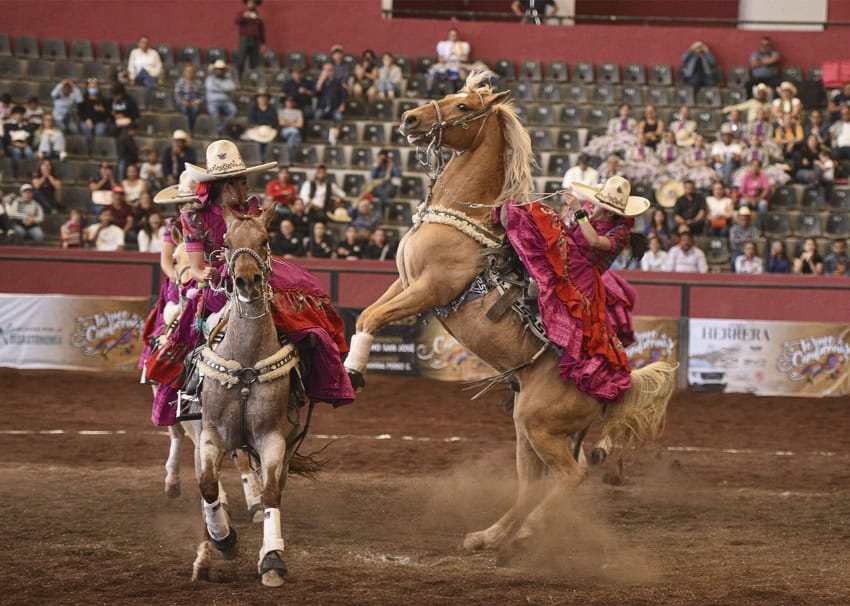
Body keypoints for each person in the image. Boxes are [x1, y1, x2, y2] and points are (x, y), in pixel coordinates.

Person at [155, 140, 354, 417]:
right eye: (243, 182)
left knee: (304, 317)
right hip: (219, 285)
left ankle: (305, 379)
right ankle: (191, 389)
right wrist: (206, 273)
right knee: (190, 335)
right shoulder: (194, 217)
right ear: (227, 186)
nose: (247, 188)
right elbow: (198, 268)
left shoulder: (252, 210)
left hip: (256, 274)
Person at [498, 176, 648, 403]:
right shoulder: (587, 212)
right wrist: (569, 214)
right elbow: (569, 229)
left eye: (602, 207)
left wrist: (578, 213)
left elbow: (595, 242)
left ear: (611, 213)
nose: (596, 208)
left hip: (583, 276)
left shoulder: (619, 234)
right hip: (569, 259)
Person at [127, 34, 162, 109]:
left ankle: (148, 104)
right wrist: (132, 78)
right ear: (138, 43)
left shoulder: (154, 53)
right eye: (142, 42)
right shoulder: (134, 53)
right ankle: (152, 83)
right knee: (143, 71)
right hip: (138, 77)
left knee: (148, 85)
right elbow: (131, 66)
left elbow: (159, 66)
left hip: (151, 76)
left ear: (149, 44)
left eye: (146, 43)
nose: (144, 44)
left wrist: (152, 74)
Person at [315, 62, 347, 141]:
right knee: (317, 116)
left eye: (329, 70)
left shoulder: (337, 82)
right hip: (322, 107)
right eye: (325, 70)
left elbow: (343, 95)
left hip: (334, 108)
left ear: (333, 71)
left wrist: (342, 105)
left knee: (339, 117)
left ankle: (336, 137)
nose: (327, 72)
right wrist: (321, 81)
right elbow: (315, 94)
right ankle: (320, 136)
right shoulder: (319, 82)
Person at [78, 78, 109, 155]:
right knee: (87, 130)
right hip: (86, 120)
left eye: (94, 87)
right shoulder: (83, 99)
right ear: (87, 88)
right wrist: (87, 119)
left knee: (99, 132)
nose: (92, 89)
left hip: (99, 121)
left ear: (98, 88)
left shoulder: (103, 100)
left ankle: (98, 152)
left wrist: (102, 110)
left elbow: (107, 114)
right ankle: (90, 151)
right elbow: (80, 113)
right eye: (90, 87)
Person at [205, 60, 238, 133]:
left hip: (226, 102)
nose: (219, 71)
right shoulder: (210, 78)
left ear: (224, 70)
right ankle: (219, 130)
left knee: (233, 110)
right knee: (214, 113)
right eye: (218, 69)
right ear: (215, 70)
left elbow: (231, 87)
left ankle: (226, 127)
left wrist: (218, 87)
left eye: (221, 69)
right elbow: (211, 87)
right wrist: (224, 89)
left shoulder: (228, 79)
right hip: (213, 102)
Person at [246, 90, 278, 162]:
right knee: (257, 142)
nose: (262, 99)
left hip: (269, 130)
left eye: (264, 97)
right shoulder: (253, 108)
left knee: (269, 142)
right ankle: (259, 159)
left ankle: (265, 159)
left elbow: (275, 121)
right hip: (256, 130)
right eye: (260, 97)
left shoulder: (272, 109)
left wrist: (270, 126)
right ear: (257, 99)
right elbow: (250, 120)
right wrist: (256, 126)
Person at [3, 105, 35, 177]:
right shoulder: (7, 125)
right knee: (16, 151)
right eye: (16, 114)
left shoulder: (28, 126)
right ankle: (16, 172)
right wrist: (15, 144)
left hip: (25, 145)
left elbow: (31, 137)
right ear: (13, 115)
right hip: (12, 146)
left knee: (29, 152)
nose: (19, 116)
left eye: (21, 114)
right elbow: (6, 138)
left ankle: (30, 172)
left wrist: (25, 144)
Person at [235, 0, 265, 75]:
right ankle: (238, 79)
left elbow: (261, 30)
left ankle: (252, 79)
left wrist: (263, 43)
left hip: (255, 40)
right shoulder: (242, 13)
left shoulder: (258, 16)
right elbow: (236, 21)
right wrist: (244, 16)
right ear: (247, 4)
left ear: (256, 4)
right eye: (250, 2)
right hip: (244, 39)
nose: (251, 4)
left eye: (253, 3)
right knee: (241, 60)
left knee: (255, 61)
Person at [174, 63, 204, 132]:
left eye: (191, 72)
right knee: (184, 110)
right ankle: (186, 129)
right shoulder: (180, 82)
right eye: (188, 71)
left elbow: (202, 95)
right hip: (183, 103)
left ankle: (192, 128)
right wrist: (182, 102)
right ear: (185, 72)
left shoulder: (198, 83)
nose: (190, 73)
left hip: (194, 103)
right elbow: (177, 95)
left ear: (194, 73)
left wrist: (197, 102)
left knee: (195, 110)